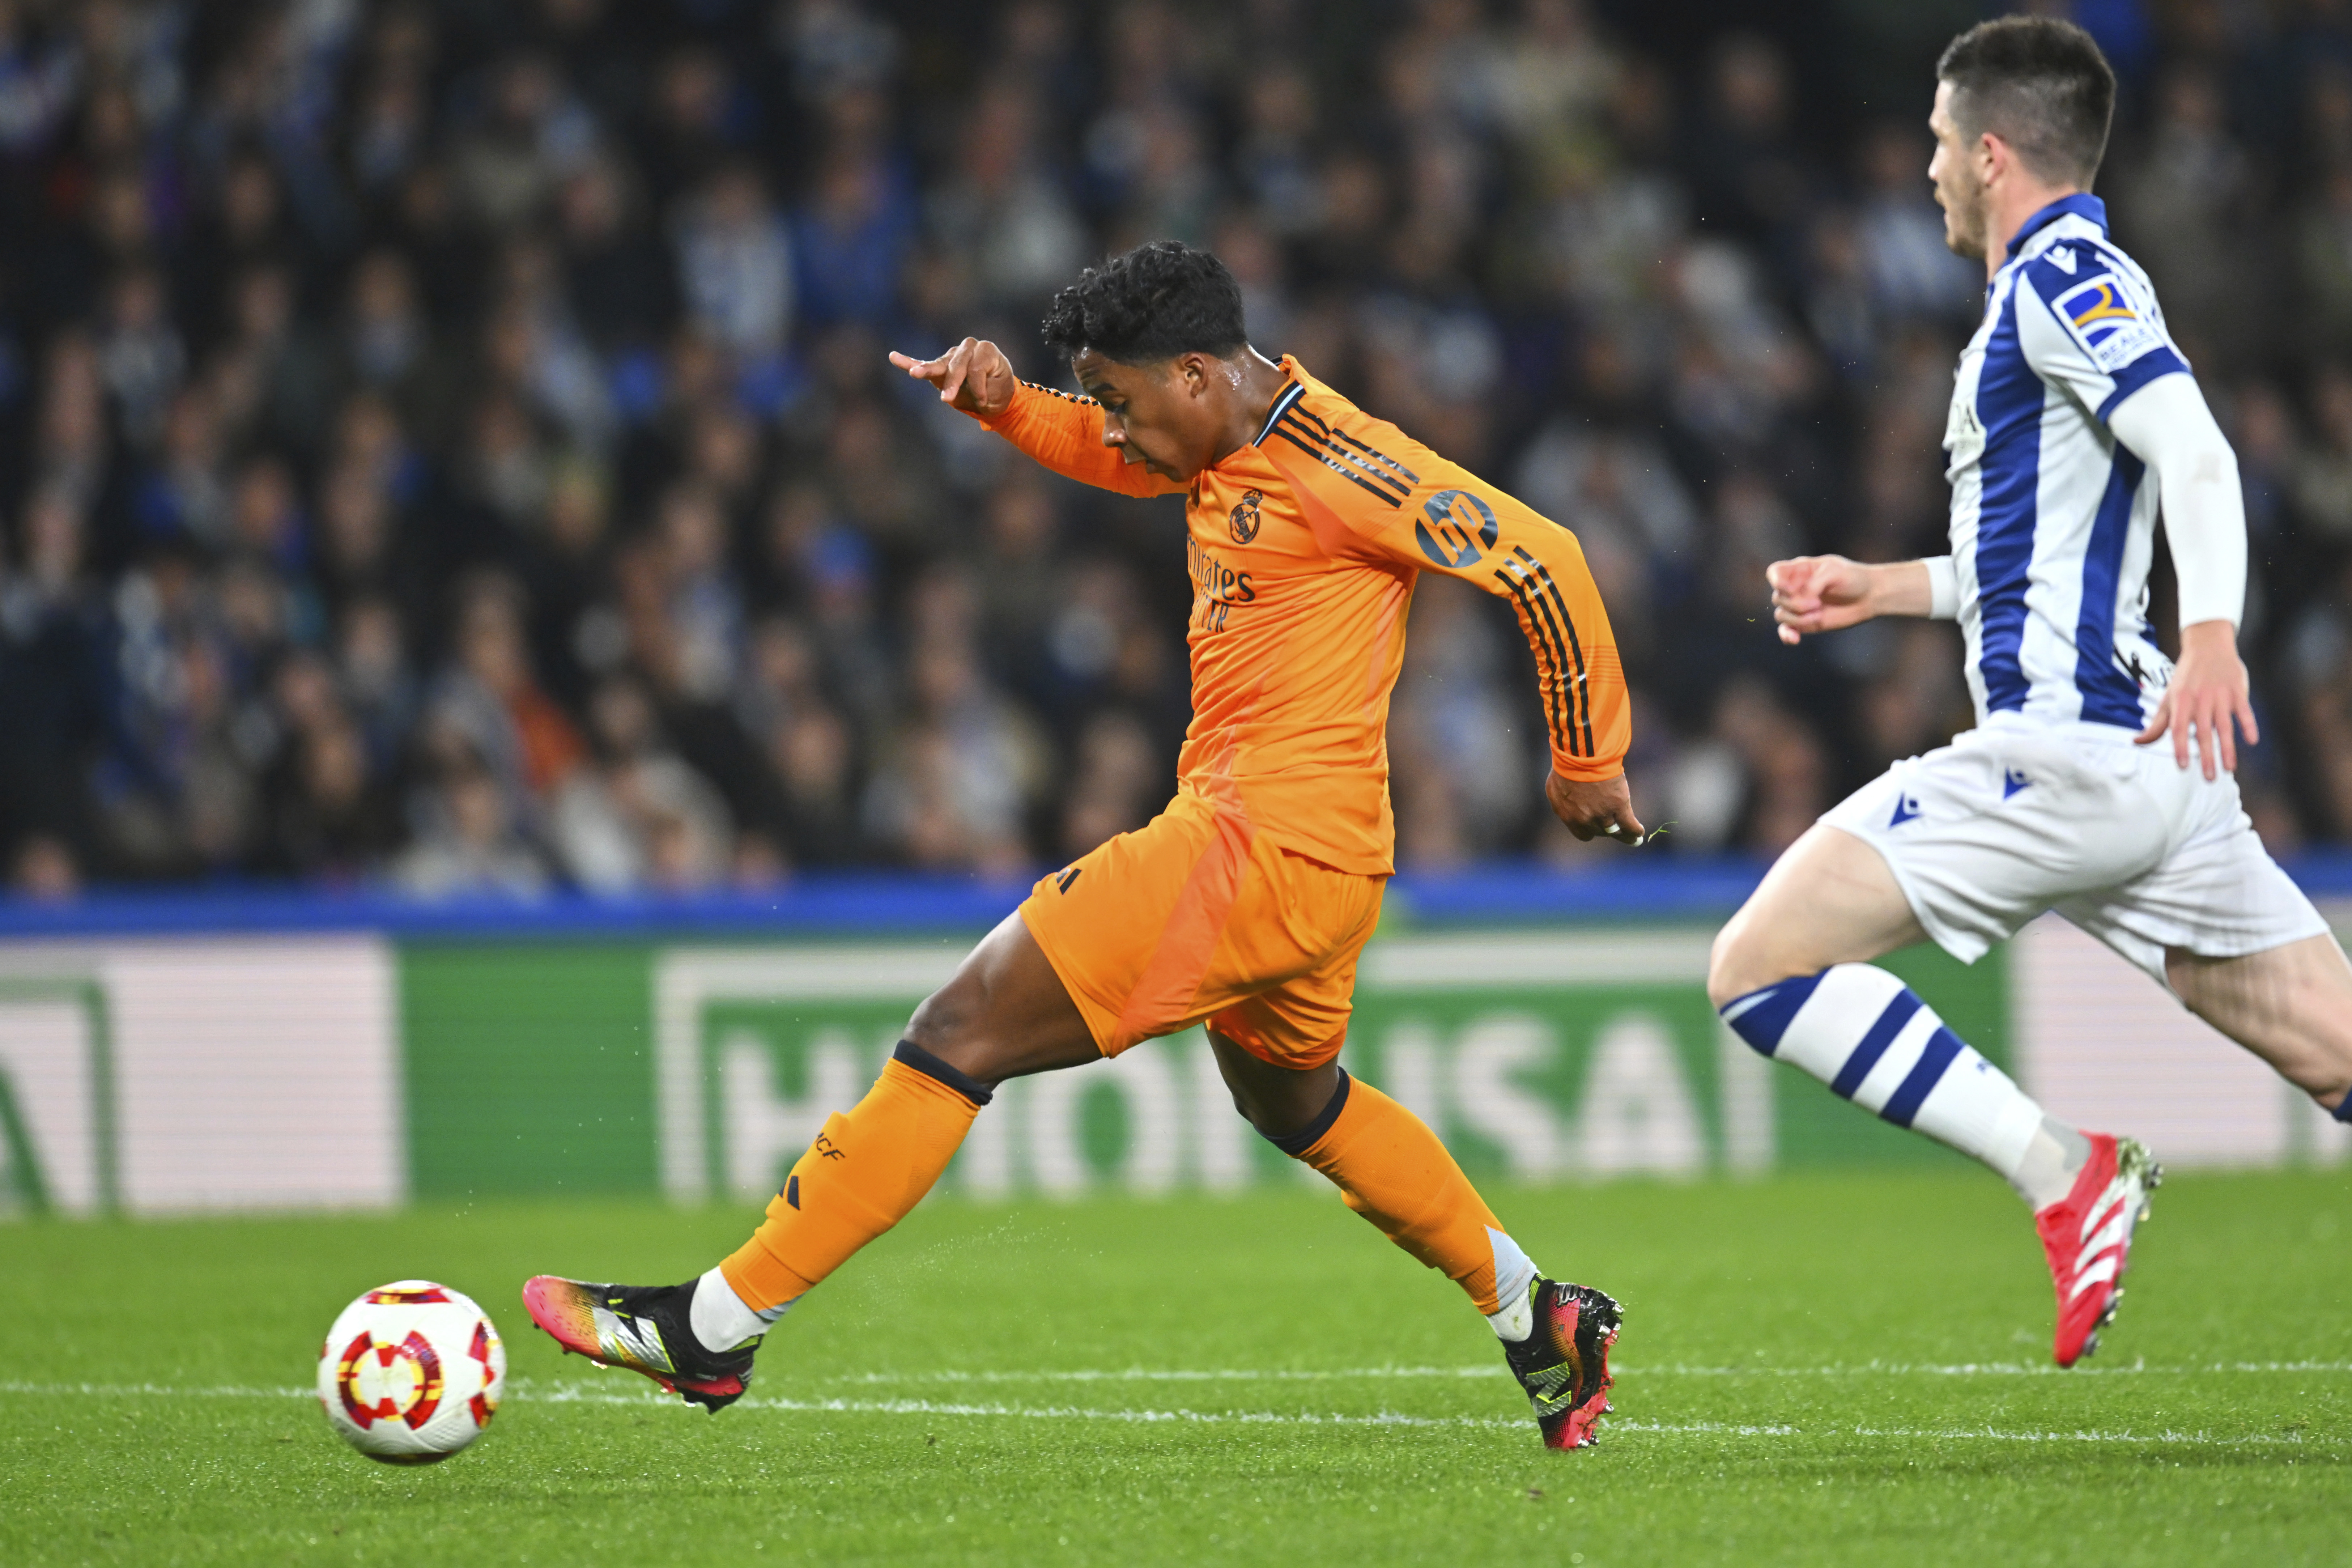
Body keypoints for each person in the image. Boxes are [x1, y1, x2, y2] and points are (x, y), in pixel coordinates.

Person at [524, 239, 1646, 1448]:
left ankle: (713, 1328)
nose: (1119, 427)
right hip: (1317, 862)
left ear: (1202, 374)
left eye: (1125, 397)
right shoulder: (1225, 435)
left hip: (1255, 848)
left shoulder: (1344, 462)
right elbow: (1113, 456)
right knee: (1296, 1102)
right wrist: (1012, 406)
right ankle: (1537, 1315)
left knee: (956, 1035)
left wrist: (1585, 761)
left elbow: (1546, 560)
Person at [1709, 17, 2352, 1368]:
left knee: (1757, 969)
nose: (1929, 169)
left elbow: (2195, 446)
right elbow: (2041, 560)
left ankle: (2065, 1172)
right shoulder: (2036, 301)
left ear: (1992, 151)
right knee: (2343, 1056)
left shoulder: (2069, 277)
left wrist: (2221, 630)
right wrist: (1887, 588)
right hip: (2149, 770)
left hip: (2072, 760)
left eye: (1941, 144)